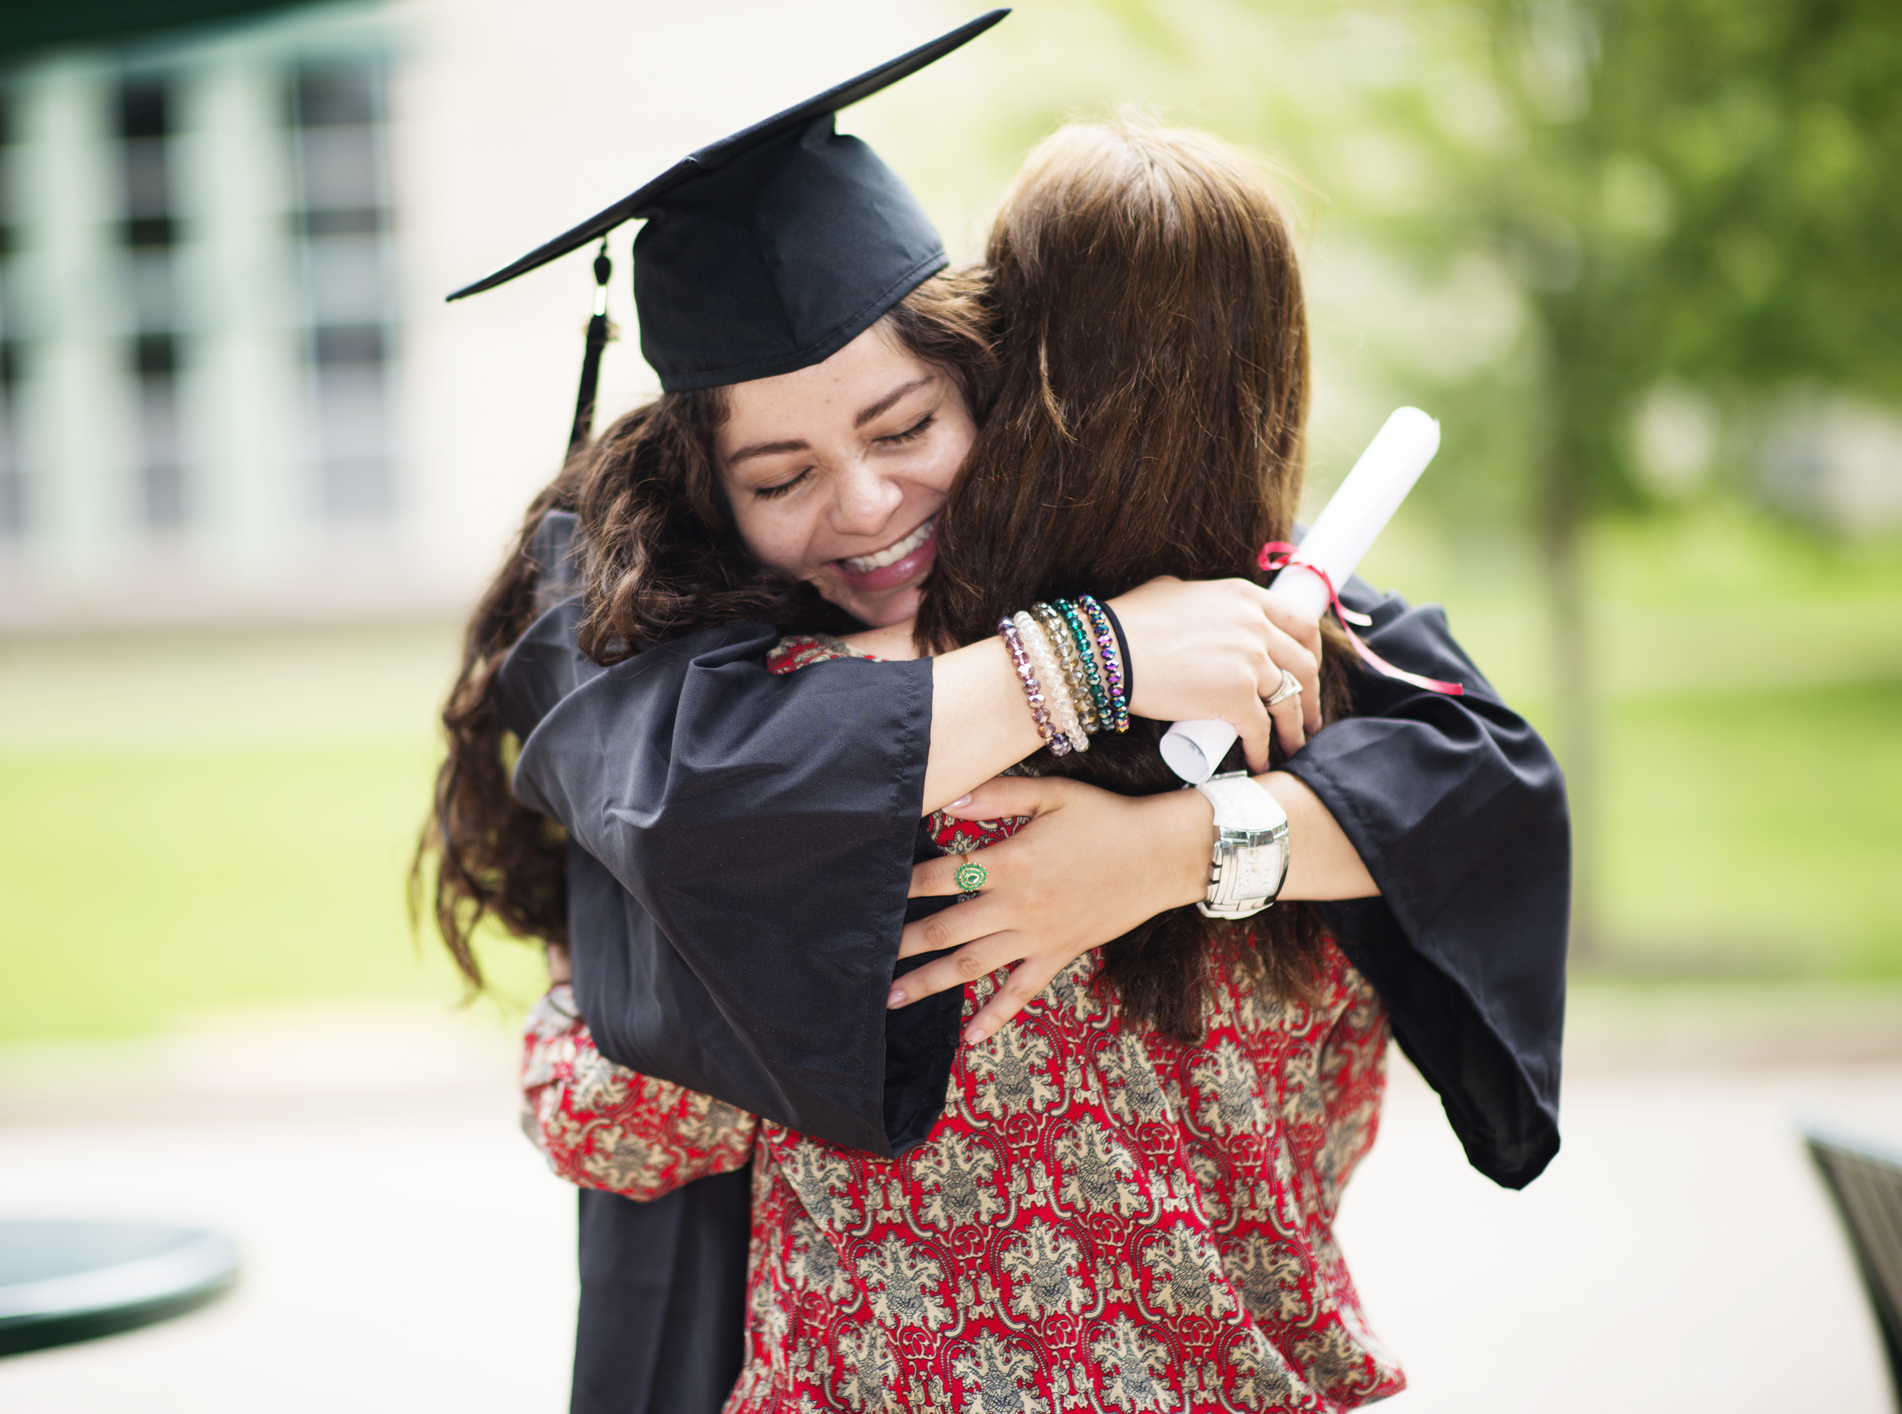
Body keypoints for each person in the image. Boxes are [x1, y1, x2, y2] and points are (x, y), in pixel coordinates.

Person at [425, 15, 1568, 1412]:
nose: (862, 503)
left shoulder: (1235, 631)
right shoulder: (681, 684)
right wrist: (1088, 658)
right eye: (781, 478)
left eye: (905, 429)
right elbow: (645, 975)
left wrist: (1165, 852)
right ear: (705, 497)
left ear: (992, 384)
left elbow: (1484, 785)